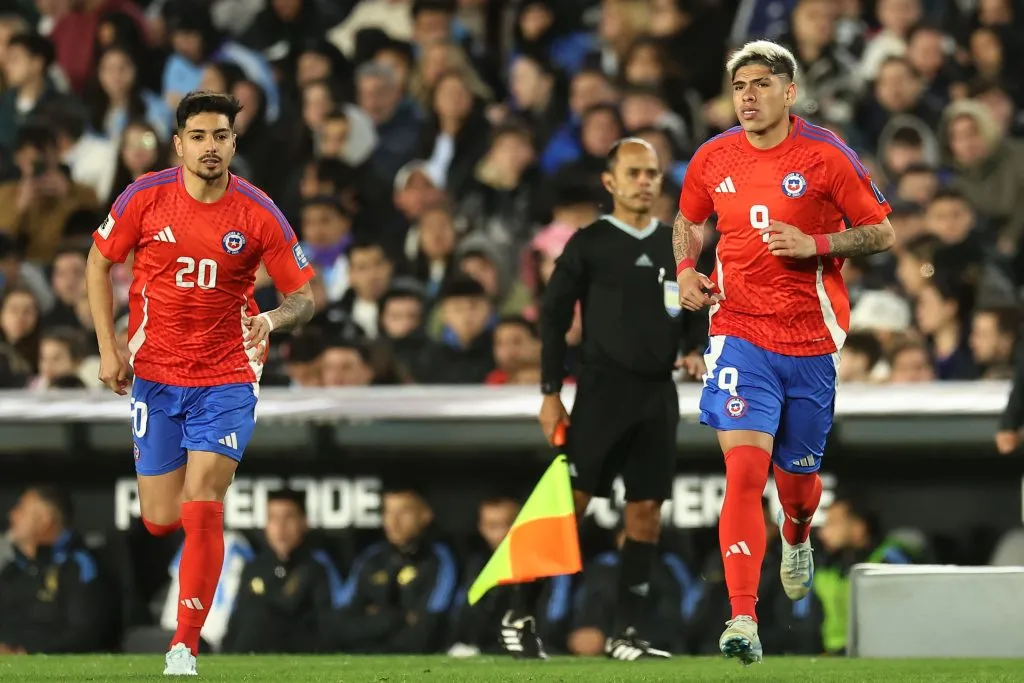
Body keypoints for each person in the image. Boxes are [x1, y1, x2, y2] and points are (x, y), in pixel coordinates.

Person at [673, 40, 895, 665]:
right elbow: (688, 221)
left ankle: (797, 532)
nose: (748, 95)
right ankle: (743, 618)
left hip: (811, 341)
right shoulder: (712, 157)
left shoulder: (826, 156)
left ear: (789, 92)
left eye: (762, 83)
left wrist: (818, 241)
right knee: (744, 472)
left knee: (795, 487)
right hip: (739, 333)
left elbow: (881, 229)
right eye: (740, 85)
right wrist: (686, 271)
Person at [85, 91, 315, 676]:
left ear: (234, 143)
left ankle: (184, 645)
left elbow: (303, 296)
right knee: (160, 518)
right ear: (179, 143)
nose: (210, 147)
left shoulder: (259, 212)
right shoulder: (145, 197)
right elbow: (97, 261)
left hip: (228, 373)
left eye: (220, 137)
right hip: (156, 373)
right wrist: (109, 348)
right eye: (199, 136)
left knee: (203, 498)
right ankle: (197, 565)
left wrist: (268, 319)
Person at [515, 136, 700, 662]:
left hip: (657, 394)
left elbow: (692, 314)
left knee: (646, 513)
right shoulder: (589, 243)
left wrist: (692, 349)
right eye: (635, 172)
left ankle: (627, 634)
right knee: (568, 509)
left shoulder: (677, 244)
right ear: (610, 182)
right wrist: (550, 393)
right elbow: (552, 318)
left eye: (653, 174)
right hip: (601, 391)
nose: (645, 182)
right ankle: (520, 612)